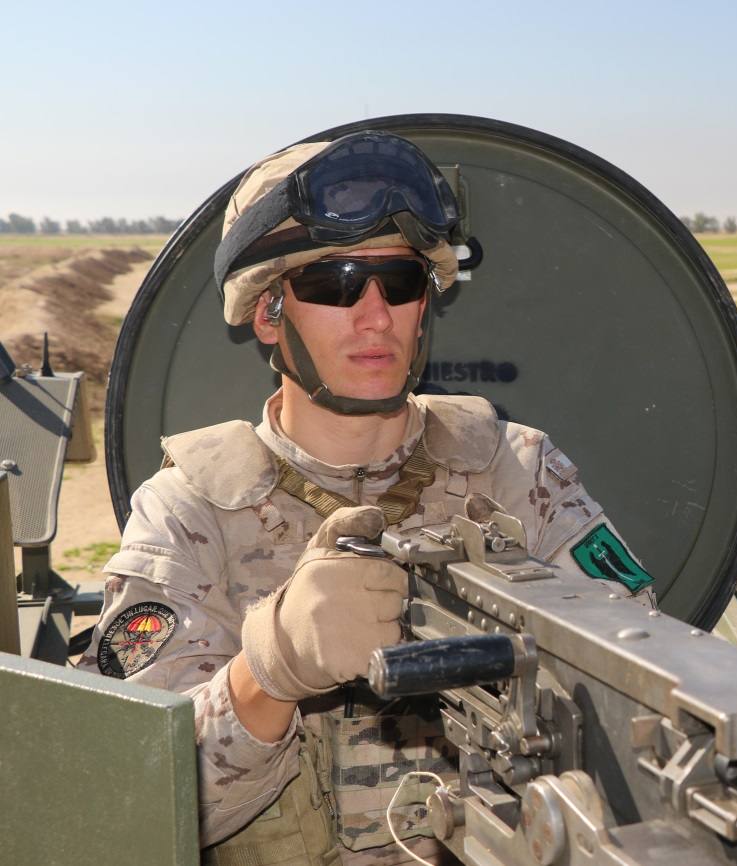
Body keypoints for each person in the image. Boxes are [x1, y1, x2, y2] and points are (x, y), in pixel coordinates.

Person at [77, 131, 654, 865]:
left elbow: (637, 688)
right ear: (268, 314)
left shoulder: (517, 470)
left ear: (424, 307)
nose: (374, 315)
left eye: (400, 283)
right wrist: (269, 669)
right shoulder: (190, 511)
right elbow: (133, 808)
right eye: (334, 284)